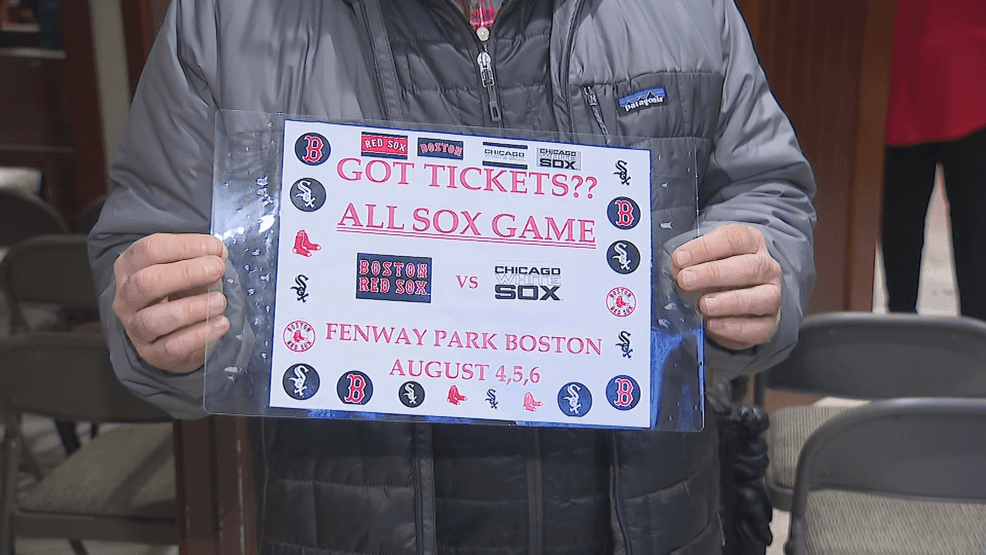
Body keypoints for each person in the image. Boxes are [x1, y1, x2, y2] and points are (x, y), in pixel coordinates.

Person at [88, 0, 816, 553]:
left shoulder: (688, 11)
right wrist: (168, 326)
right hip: (350, 526)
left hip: (649, 523)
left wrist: (758, 275)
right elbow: (150, 242)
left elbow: (766, 191)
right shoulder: (224, 20)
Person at [881, 0, 986, 321]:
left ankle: (901, 329)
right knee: (975, 223)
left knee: (905, 218)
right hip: (956, 62)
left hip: (912, 60)